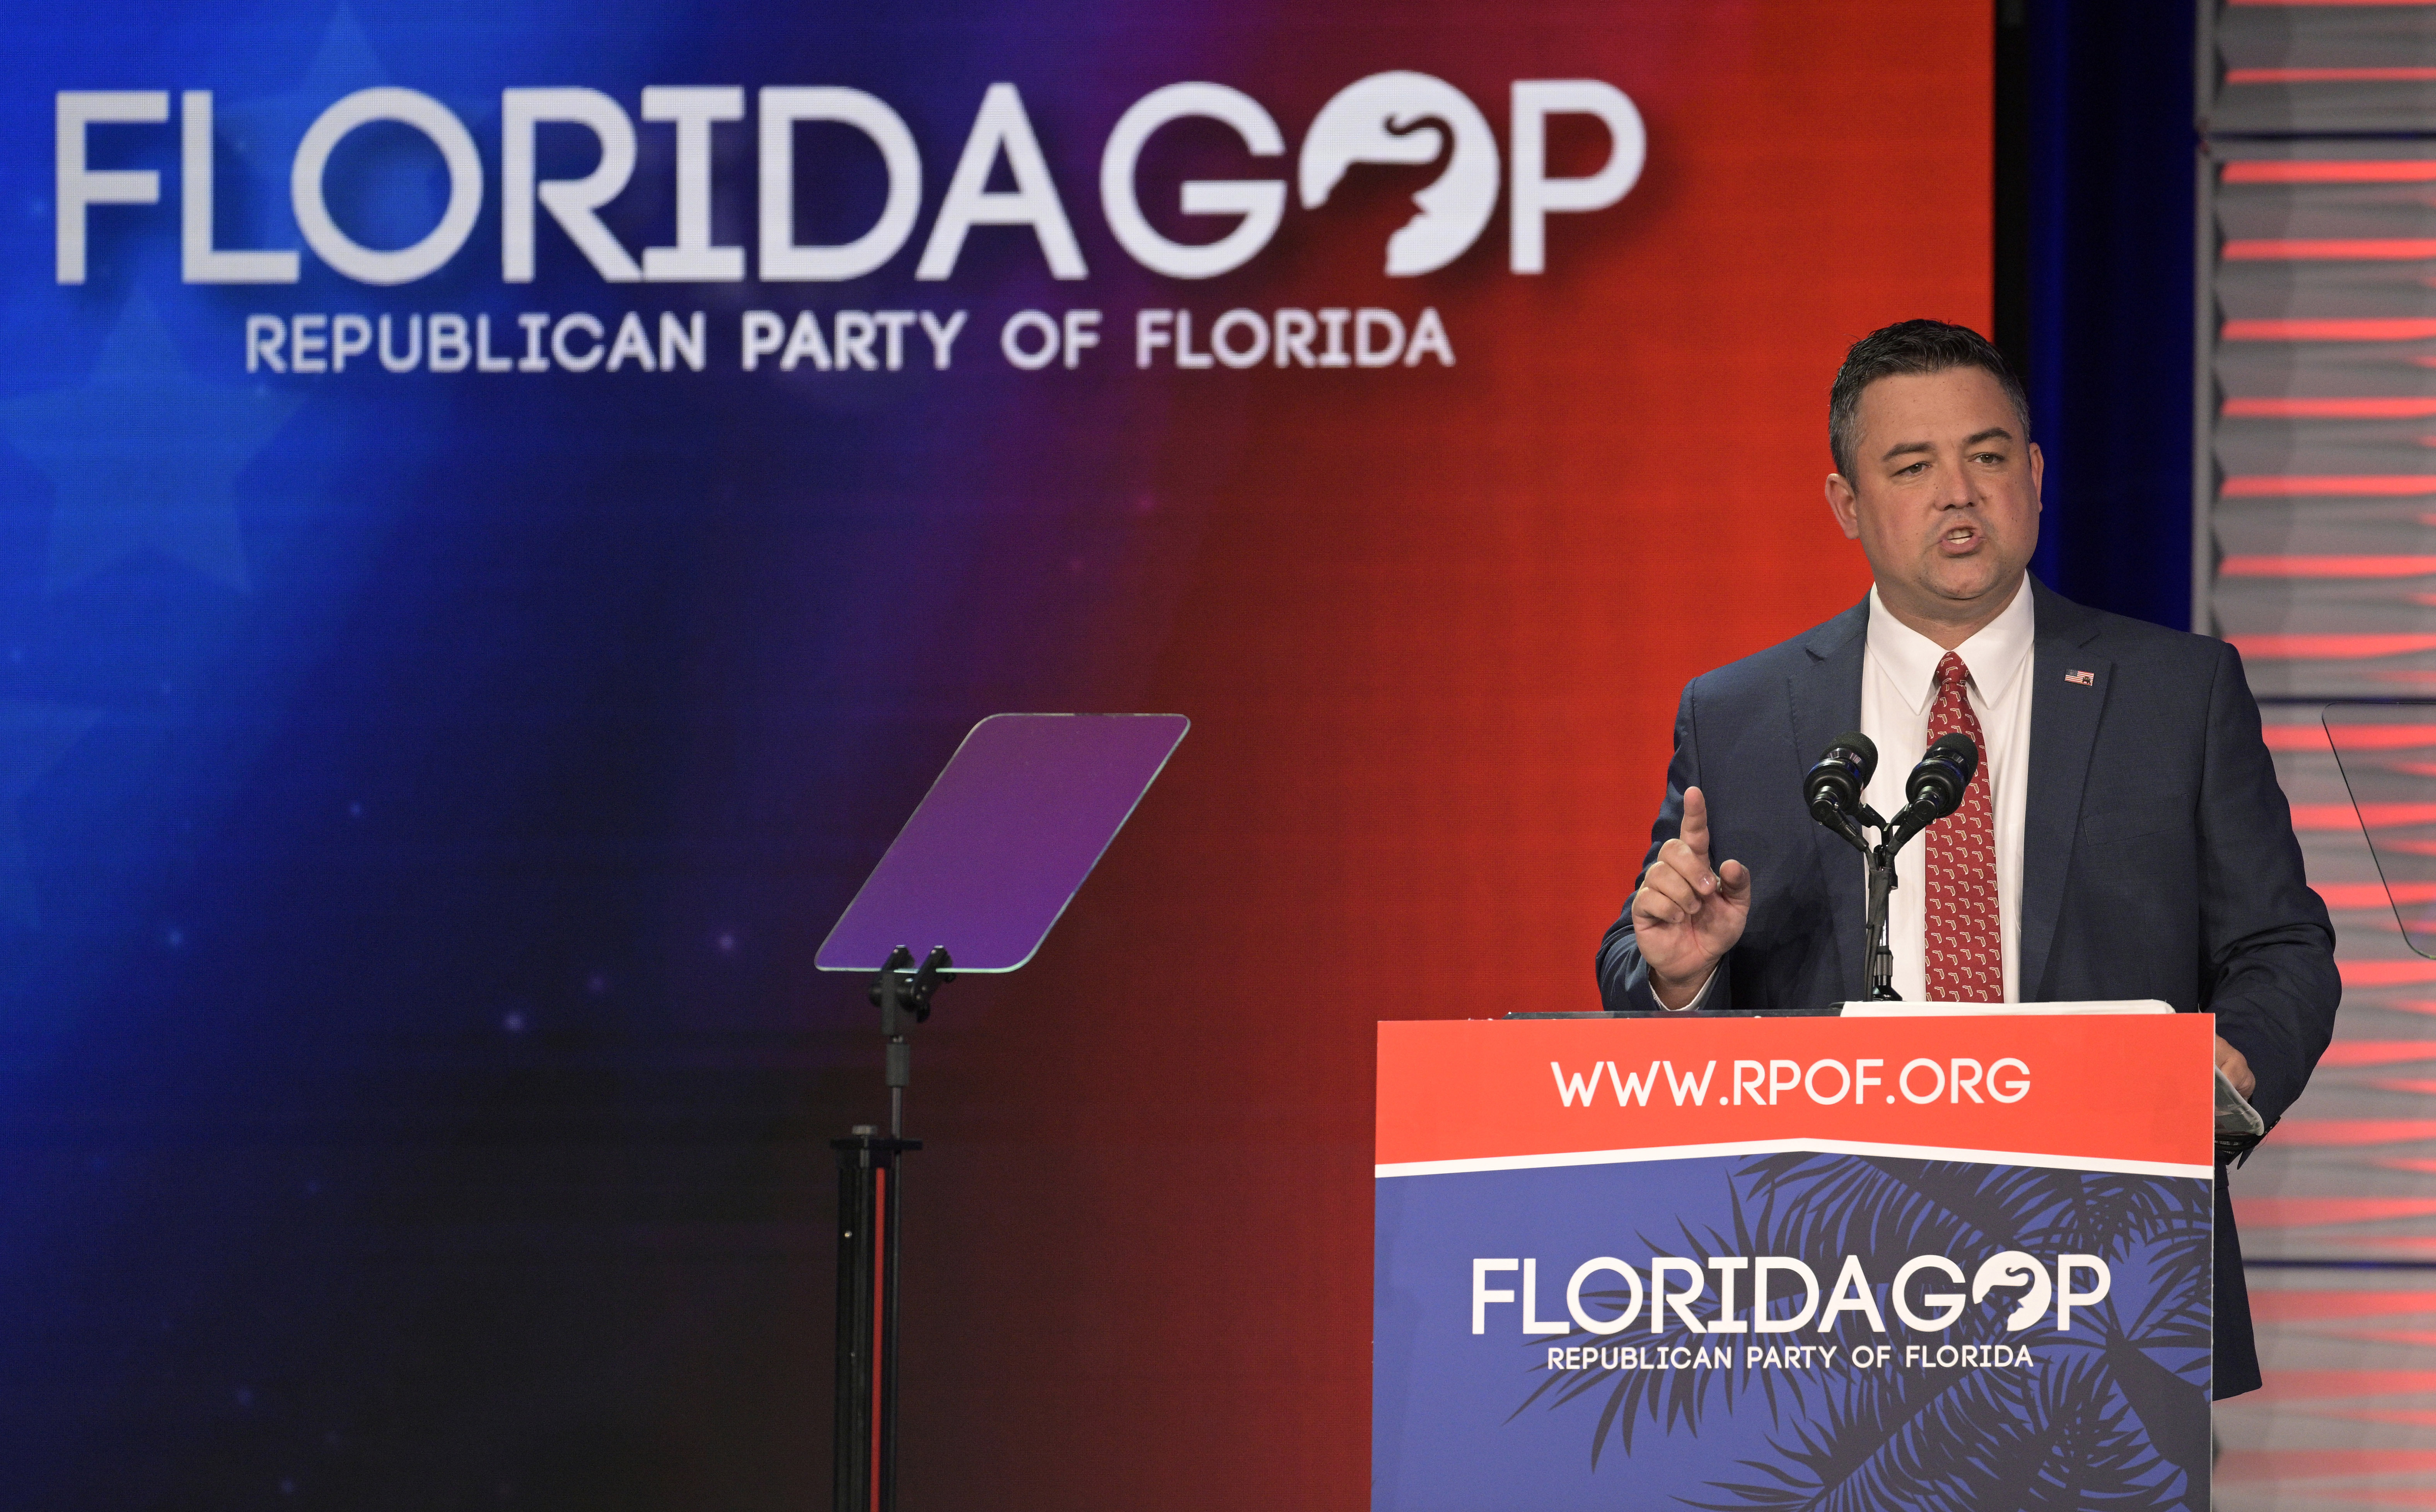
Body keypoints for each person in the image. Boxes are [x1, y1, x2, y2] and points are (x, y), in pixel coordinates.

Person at [1594, 318, 2338, 1398]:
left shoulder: (2177, 692)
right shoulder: (1740, 714)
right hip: (1821, 1280)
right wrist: (1681, 973)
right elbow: (1643, 955)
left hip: (2107, 1259)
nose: (1958, 491)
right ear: (1846, 506)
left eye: (1987, 457)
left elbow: (2280, 946)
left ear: (2032, 477)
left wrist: (2227, 1067)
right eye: (1911, 466)